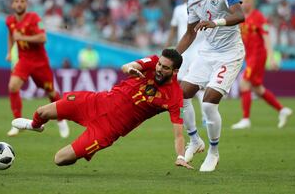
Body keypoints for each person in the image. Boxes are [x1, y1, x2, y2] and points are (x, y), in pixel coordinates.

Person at [11, 49, 193, 169]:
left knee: (60, 159)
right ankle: (35, 125)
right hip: (96, 102)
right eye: (160, 64)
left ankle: (83, 149)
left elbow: (178, 133)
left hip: (108, 129)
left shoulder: (175, 97)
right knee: (42, 112)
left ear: (175, 71)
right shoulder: (152, 62)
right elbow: (127, 66)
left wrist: (181, 157)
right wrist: (129, 69)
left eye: (165, 67)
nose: (159, 68)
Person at [176, 0, 245, 172]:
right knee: (181, 94)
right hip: (207, 53)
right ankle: (195, 140)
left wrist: (216, 22)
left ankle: (213, 152)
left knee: (208, 102)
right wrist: (170, 57)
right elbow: (189, 34)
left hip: (230, 53)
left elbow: (240, 15)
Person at [5, 0, 69, 138]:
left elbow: (42, 37)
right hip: (24, 60)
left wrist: (22, 37)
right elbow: (11, 35)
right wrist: (9, 52)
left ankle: (61, 118)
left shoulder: (33, 18)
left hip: (40, 62)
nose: (19, 3)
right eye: (17, 1)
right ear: (12, 4)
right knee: (13, 86)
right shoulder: (10, 21)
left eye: (22, 1)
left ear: (26, 4)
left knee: (51, 92)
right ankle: (17, 122)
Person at [231, 0, 292, 129]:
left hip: (258, 56)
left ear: (252, 2)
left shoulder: (258, 17)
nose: (244, 4)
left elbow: (266, 38)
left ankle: (246, 119)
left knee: (244, 84)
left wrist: (271, 58)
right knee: (257, 89)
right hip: (249, 56)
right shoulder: (240, 17)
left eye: (247, 1)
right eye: (242, 1)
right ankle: (282, 110)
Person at [165, 0, 206, 125]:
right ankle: (181, 114)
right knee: (179, 84)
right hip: (183, 51)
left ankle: (205, 116)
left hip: (198, 51)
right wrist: (166, 47)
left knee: (199, 85)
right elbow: (173, 29)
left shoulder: (203, 8)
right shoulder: (178, 10)